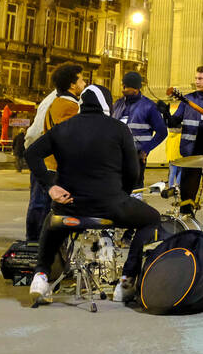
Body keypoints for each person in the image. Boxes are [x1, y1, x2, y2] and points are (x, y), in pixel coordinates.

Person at [26, 85, 163, 302]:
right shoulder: (119, 129)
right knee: (152, 218)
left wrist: (50, 186)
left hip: (70, 205)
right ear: (106, 105)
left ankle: (41, 276)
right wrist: (122, 195)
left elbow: (31, 154)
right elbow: (133, 172)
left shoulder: (64, 128)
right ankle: (126, 281)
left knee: (52, 221)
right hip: (110, 205)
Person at [23, 63, 85, 239]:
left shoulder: (54, 100)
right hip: (51, 164)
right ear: (72, 84)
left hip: (45, 161)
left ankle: (35, 242)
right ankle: (38, 244)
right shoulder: (67, 104)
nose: (85, 83)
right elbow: (37, 133)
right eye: (82, 80)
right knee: (44, 205)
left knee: (40, 205)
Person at [166, 65, 203, 230]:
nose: (197, 81)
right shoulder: (188, 99)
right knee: (187, 195)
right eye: (196, 78)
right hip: (191, 154)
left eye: (200, 78)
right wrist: (166, 115)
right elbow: (174, 123)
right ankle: (188, 229)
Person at [111, 71, 169, 171]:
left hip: (136, 158)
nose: (123, 88)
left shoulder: (149, 106)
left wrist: (145, 150)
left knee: (135, 182)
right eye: (123, 85)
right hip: (116, 156)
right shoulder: (118, 104)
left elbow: (162, 132)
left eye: (127, 86)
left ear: (136, 89)